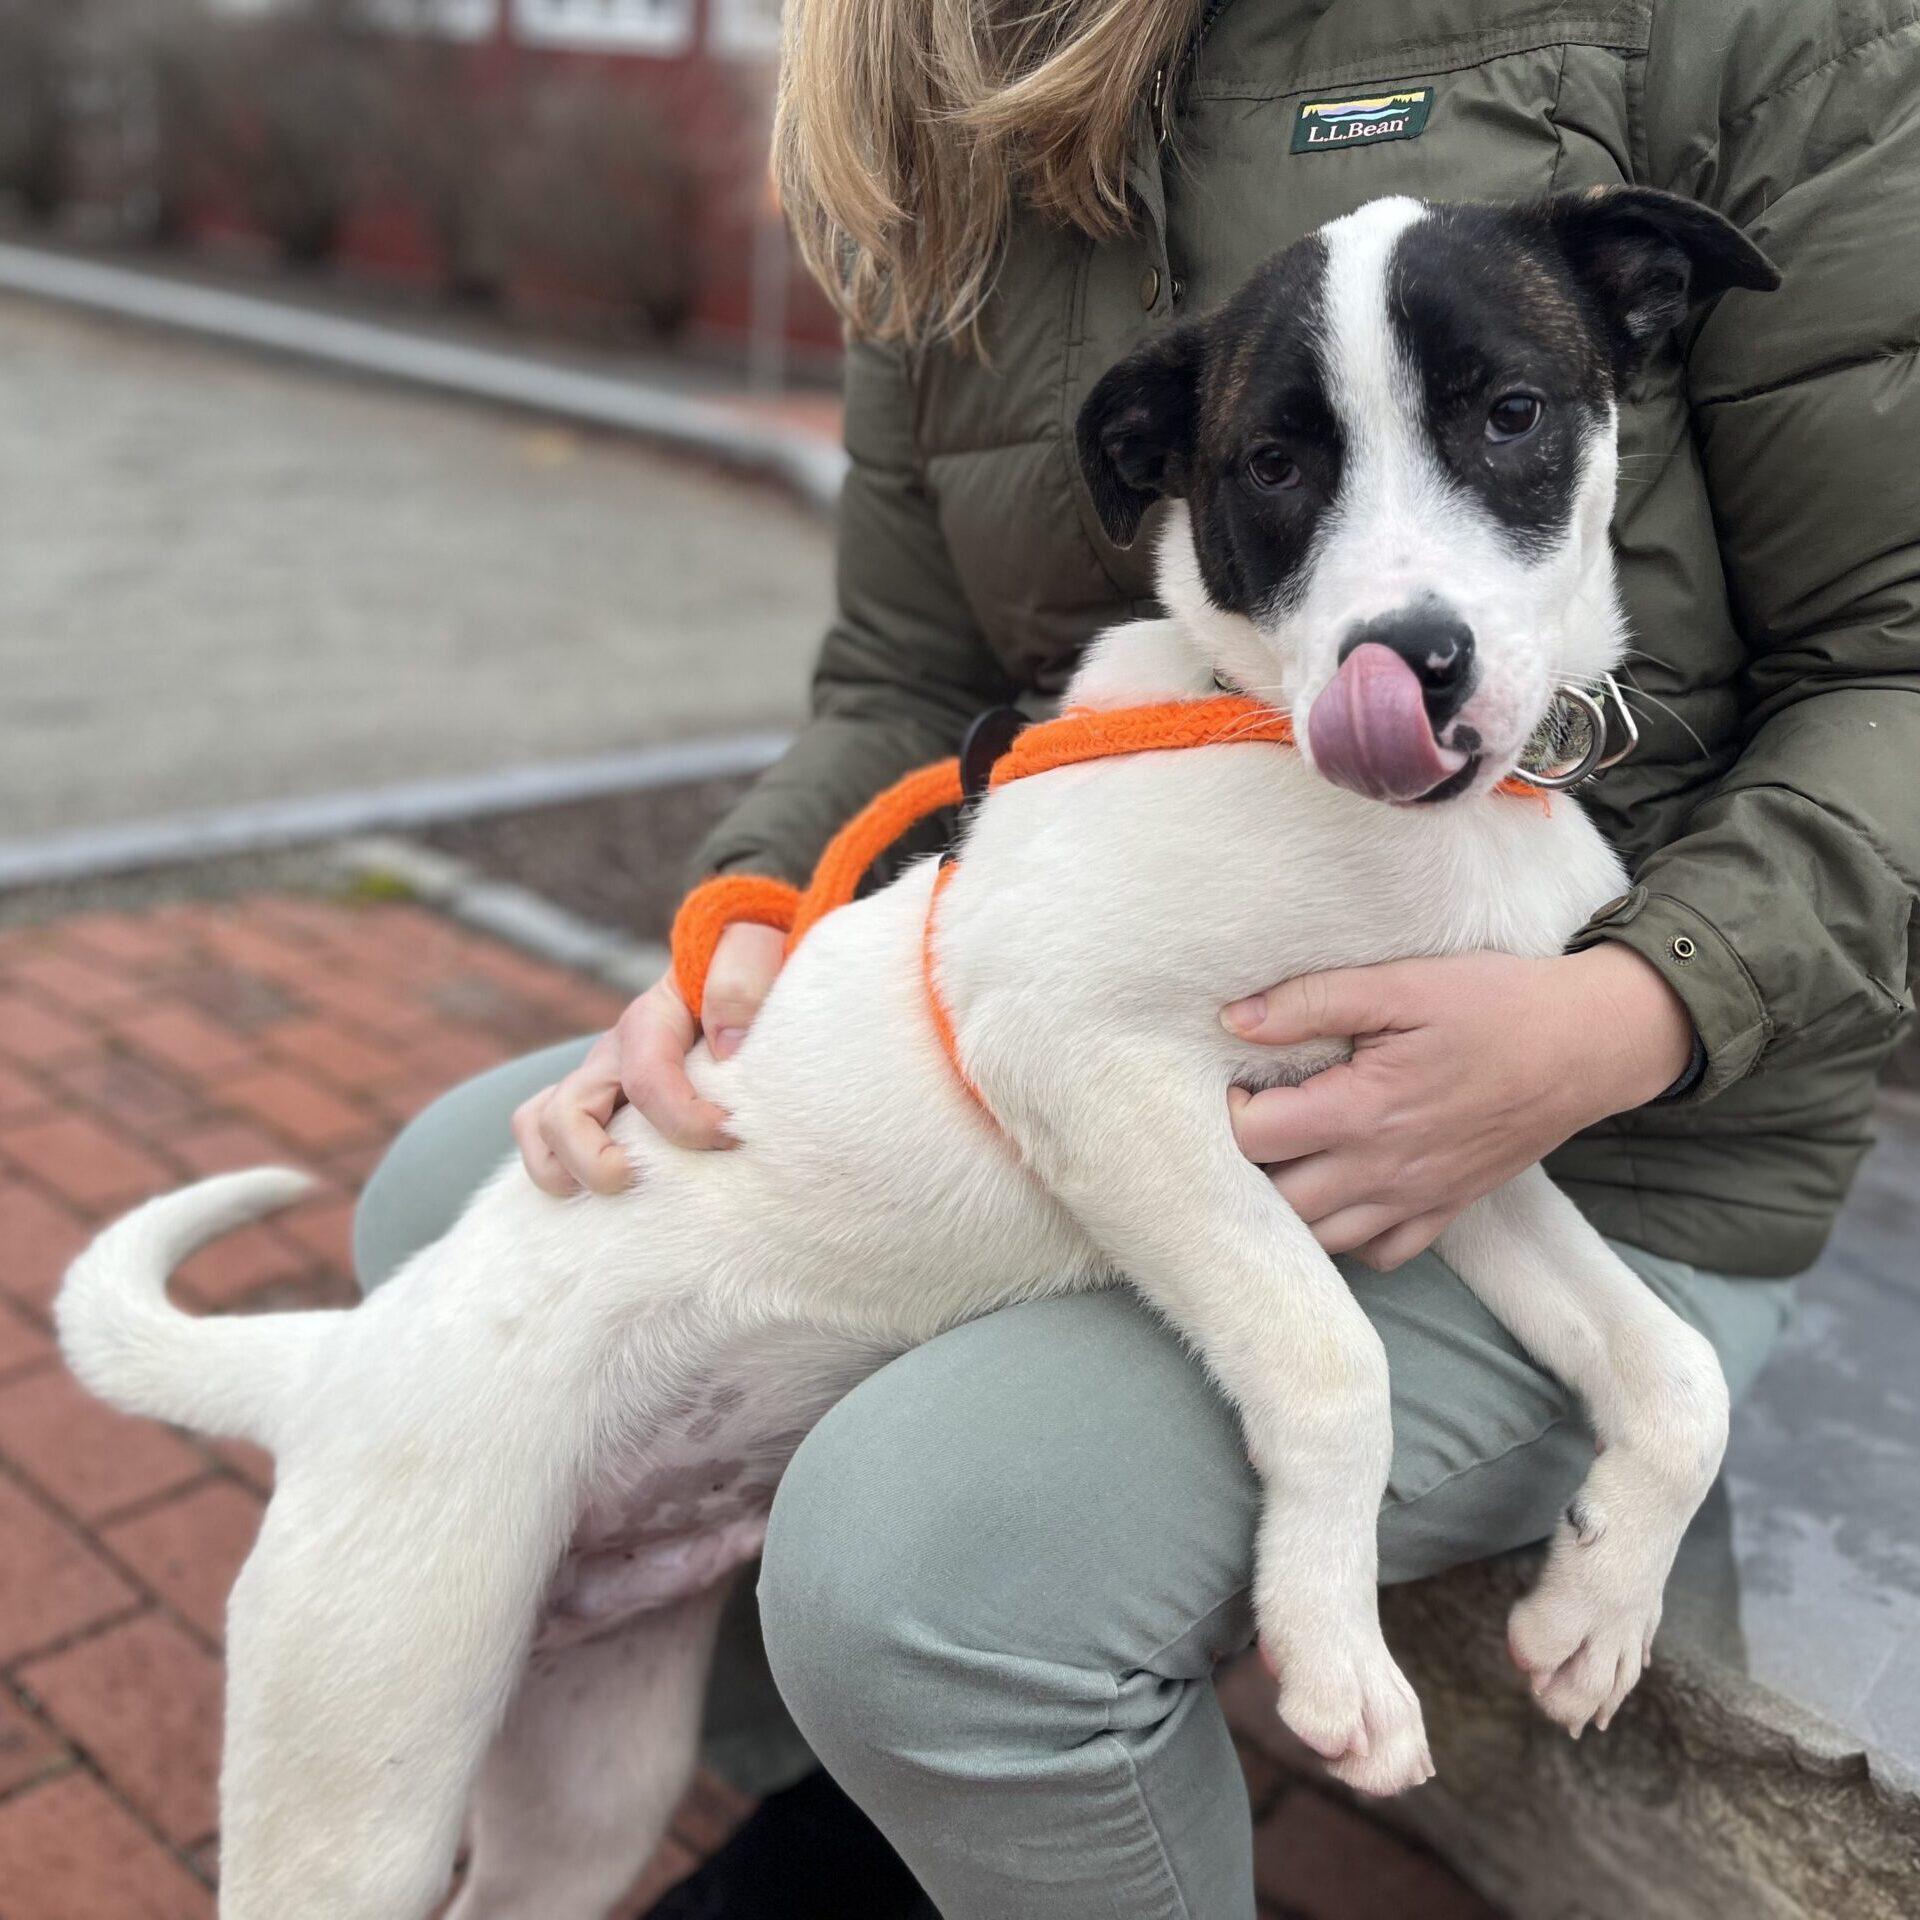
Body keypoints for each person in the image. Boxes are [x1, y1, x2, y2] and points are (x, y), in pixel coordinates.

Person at [355, 2, 1920, 1913]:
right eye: (1289, 472)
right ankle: (881, 1789)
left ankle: (971, 1712)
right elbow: (909, 680)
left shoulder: (1735, 44)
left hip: (1649, 1132)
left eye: (1504, 422)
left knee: (916, 1569)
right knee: (447, 1195)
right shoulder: (931, 103)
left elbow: (1898, 656)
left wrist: (1635, 1006)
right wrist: (748, 916)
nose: (1396, 584)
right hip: (1135, 1022)